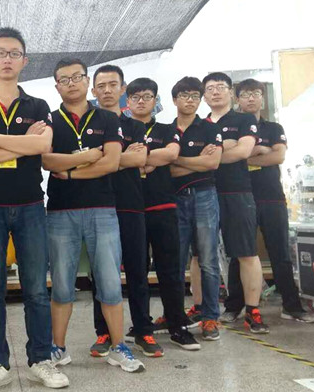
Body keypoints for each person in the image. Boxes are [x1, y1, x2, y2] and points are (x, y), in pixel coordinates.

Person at [0, 27, 69, 392]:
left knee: (36, 288)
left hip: (30, 206)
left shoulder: (37, 105)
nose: (7, 59)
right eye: (0, 53)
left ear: (24, 61)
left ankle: (41, 359)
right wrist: (23, 144)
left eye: (14, 53)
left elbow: (43, 147)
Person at [43, 59, 145, 372]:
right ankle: (58, 348)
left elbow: (112, 162)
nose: (71, 83)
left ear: (87, 81)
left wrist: (70, 172)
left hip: (102, 209)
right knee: (62, 285)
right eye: (64, 79)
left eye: (77, 77)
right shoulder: (49, 119)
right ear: (57, 86)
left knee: (110, 283)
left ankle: (118, 347)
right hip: (61, 212)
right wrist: (88, 157)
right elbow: (46, 160)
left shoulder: (107, 118)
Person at [225, 79, 314, 323]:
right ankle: (233, 306)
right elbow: (228, 157)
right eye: (246, 94)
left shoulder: (273, 128)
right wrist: (262, 151)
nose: (251, 98)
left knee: (280, 253)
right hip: (241, 196)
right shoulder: (231, 128)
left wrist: (246, 155)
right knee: (240, 253)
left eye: (256, 93)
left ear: (262, 98)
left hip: (272, 197)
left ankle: (292, 306)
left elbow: (279, 157)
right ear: (237, 99)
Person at [88, 65, 162, 358]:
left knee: (137, 270)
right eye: (101, 85)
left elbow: (139, 159)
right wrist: (118, 158)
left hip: (131, 205)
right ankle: (104, 332)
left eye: (112, 85)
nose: (107, 90)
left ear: (122, 89)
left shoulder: (134, 127)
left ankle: (143, 330)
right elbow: (83, 161)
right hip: (98, 205)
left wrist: (102, 158)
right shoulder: (89, 125)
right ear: (93, 91)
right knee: (100, 273)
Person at [128, 77, 200, 351]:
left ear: (156, 100)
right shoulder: (122, 129)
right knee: (137, 271)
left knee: (170, 270)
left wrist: (138, 161)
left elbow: (170, 155)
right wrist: (148, 161)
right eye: (135, 97)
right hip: (132, 209)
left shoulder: (168, 129)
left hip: (163, 207)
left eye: (147, 96)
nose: (141, 101)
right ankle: (142, 327)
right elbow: (115, 159)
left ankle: (177, 326)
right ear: (128, 101)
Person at [202, 72, 268, 333]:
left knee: (247, 252)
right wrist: (226, 146)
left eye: (221, 87)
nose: (216, 92)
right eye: (210, 88)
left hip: (237, 193)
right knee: (200, 255)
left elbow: (243, 151)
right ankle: (201, 309)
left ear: (230, 92)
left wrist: (209, 156)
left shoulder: (244, 119)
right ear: (204, 96)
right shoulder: (199, 124)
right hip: (203, 193)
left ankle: (253, 311)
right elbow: (191, 155)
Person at [169, 77, 223, 341]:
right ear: (174, 99)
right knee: (175, 261)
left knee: (208, 260)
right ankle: (175, 316)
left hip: (204, 197)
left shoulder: (210, 128)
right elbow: (165, 169)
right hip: (175, 198)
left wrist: (178, 160)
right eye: (184, 95)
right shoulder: (166, 130)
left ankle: (210, 316)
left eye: (194, 96)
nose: (189, 100)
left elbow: (212, 164)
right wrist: (196, 161)